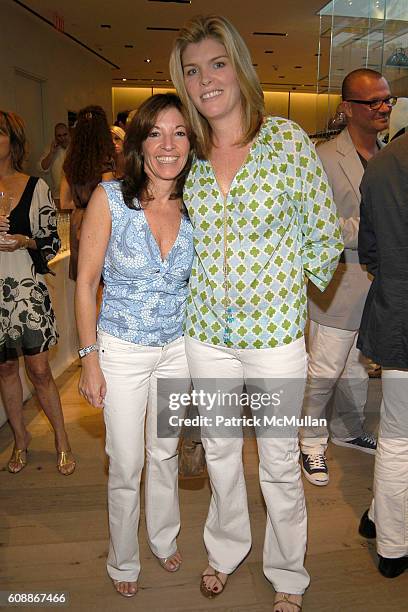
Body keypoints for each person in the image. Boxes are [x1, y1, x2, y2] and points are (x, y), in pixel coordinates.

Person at [170, 15, 343, 611]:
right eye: (192, 72)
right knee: (219, 453)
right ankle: (225, 549)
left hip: (271, 339)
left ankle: (288, 574)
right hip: (206, 337)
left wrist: (286, 297)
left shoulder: (288, 142)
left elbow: (324, 236)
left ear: (239, 66)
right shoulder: (187, 157)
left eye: (217, 64)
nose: (205, 80)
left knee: (276, 463)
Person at [75, 94, 194, 597]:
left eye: (180, 133)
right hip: (121, 350)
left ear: (192, 141)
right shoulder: (110, 199)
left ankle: (163, 539)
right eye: (156, 133)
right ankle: (123, 560)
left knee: (164, 452)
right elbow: (85, 283)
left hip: (179, 350)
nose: (168, 145)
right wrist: (89, 359)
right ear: (140, 140)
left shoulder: (200, 201)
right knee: (126, 462)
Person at [300, 69, 395, 486]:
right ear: (347, 108)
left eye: (387, 99)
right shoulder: (322, 158)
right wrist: (373, 227)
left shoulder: (390, 155)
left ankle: (348, 429)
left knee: (359, 368)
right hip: (340, 280)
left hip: (382, 284)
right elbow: (314, 225)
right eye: (372, 101)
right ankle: (309, 441)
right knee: (324, 369)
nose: (383, 107)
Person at [0, 111, 75, 475]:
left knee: (40, 369)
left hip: (26, 288)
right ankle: (20, 438)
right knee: (5, 369)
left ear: (13, 142)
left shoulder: (35, 186)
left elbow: (50, 241)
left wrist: (23, 240)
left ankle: (61, 438)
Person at [357, 132, 408, 579]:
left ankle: (380, 521)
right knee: (400, 435)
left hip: (398, 315)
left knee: (397, 430)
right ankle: (393, 543)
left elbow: (369, 248)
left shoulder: (383, 162)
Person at [60, 105, 114, 281]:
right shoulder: (105, 161)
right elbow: (108, 198)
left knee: (84, 281)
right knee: (102, 282)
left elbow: (64, 202)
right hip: (100, 221)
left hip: (77, 221)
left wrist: (81, 206)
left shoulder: (71, 162)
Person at [38, 123, 70, 208]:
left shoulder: (76, 148)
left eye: (65, 134)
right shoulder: (50, 149)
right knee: (62, 221)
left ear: (69, 133)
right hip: (58, 198)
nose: (62, 138)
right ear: (55, 137)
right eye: (59, 136)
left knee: (77, 221)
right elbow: (42, 168)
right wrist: (52, 153)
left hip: (75, 198)